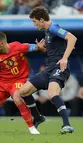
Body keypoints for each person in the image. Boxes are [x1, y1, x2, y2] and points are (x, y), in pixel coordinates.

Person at [14, 6, 77, 134]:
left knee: (52, 92)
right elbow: (58, 47)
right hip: (49, 68)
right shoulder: (47, 32)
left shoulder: (53, 28)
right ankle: (38, 117)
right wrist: (44, 49)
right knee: (23, 91)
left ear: (42, 20)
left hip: (60, 67)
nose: (34, 24)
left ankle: (67, 125)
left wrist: (64, 58)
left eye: (34, 21)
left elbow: (72, 38)